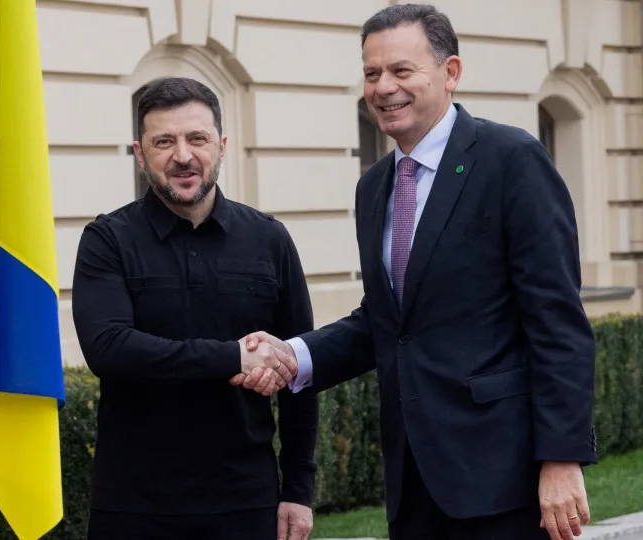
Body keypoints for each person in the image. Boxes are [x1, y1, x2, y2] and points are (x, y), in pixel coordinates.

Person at [241, 5, 597, 540]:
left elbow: (557, 321)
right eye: (372, 73)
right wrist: (295, 356)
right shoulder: (374, 187)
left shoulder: (512, 159)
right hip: (413, 484)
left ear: (451, 72)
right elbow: (387, 322)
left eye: (401, 70)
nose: (383, 87)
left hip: (507, 479)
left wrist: (562, 457)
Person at [71, 76, 320, 540]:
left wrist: (298, 489)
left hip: (247, 503)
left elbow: (299, 373)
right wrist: (233, 358)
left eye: (197, 139)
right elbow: (109, 349)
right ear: (140, 153)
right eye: (164, 141)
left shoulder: (269, 239)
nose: (183, 156)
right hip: (133, 507)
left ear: (221, 146)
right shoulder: (108, 240)